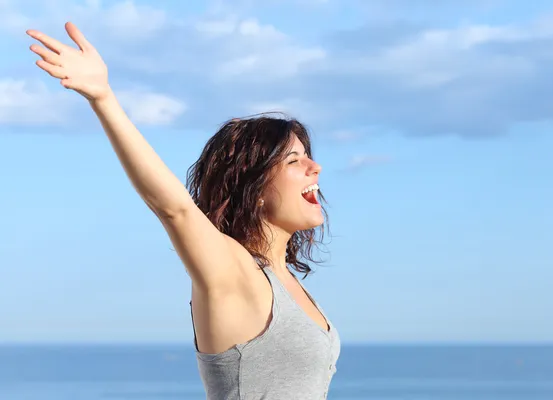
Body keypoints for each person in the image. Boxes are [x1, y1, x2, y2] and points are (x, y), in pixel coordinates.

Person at [26, 22, 340, 399]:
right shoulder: (234, 270)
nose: (314, 167)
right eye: (294, 161)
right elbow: (173, 207)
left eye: (309, 157)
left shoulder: (285, 283)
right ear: (254, 186)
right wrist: (103, 98)